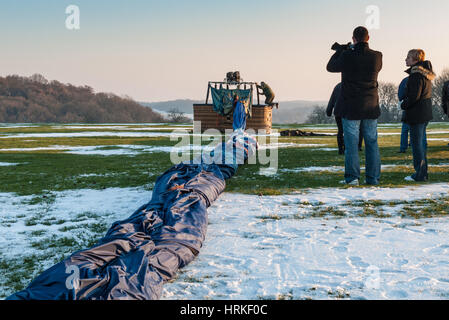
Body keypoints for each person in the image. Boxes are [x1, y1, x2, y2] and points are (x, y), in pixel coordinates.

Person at [326, 26, 382, 185]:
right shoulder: (377, 56)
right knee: (372, 143)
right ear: (368, 38)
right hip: (371, 105)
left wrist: (341, 51)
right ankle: (373, 178)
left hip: (351, 106)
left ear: (353, 38)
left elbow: (330, 67)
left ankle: (352, 178)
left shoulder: (347, 56)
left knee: (351, 144)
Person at [400, 49, 435, 182]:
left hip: (417, 114)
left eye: (408, 57)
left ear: (415, 59)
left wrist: (403, 105)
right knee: (420, 143)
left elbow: (414, 96)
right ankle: (423, 173)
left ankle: (420, 174)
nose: (405, 60)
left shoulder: (416, 75)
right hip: (423, 113)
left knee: (417, 145)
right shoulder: (424, 74)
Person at [326, 82, 363, 155]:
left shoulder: (338, 86)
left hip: (338, 111)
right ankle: (357, 146)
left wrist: (329, 111)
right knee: (357, 129)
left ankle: (340, 149)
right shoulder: (354, 84)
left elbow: (332, 99)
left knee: (340, 130)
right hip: (350, 111)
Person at [398, 77, 411, 153]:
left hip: (407, 108)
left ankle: (403, 148)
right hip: (418, 109)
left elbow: (400, 95)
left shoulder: (405, 80)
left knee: (405, 130)